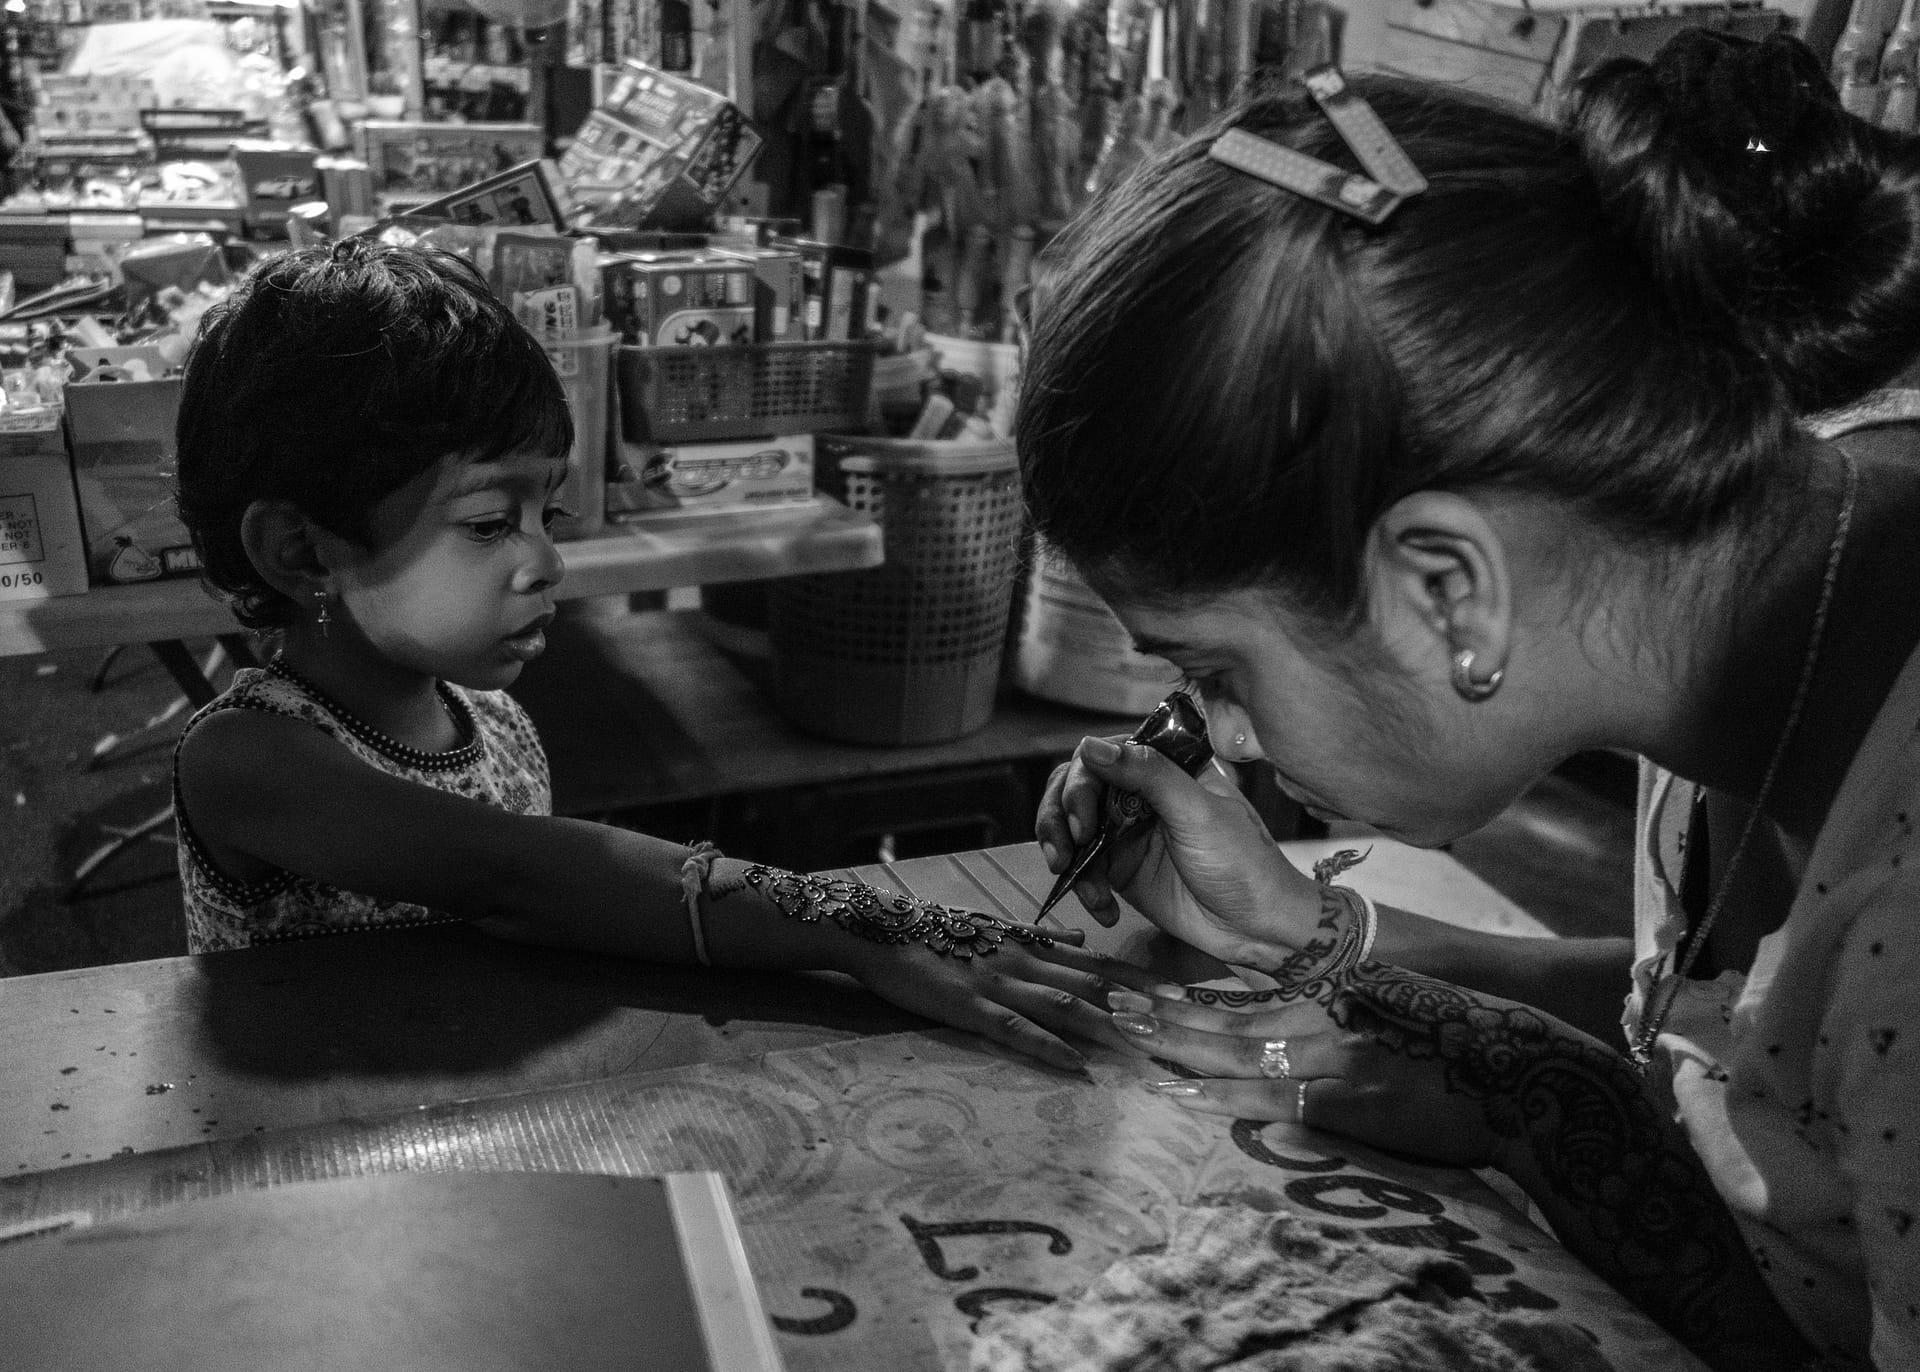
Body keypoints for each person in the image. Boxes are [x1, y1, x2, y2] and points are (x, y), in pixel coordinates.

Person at [1022, 31, 1920, 1372]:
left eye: (1215, 673)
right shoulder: (1730, 538)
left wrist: (1526, 1112)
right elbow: (1741, 1032)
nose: (1222, 737)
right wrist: (1304, 926)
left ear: (1449, 593)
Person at [169, 237, 1155, 1076]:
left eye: (546, 515)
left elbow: (552, 917)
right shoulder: (249, 758)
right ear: (302, 552)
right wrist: (860, 928)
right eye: (488, 523)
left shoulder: (496, 725)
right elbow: (518, 877)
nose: (546, 562)